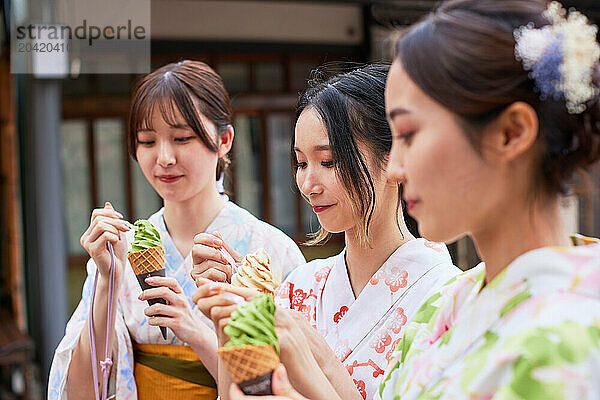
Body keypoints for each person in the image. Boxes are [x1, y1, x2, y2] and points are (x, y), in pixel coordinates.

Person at [224, 0, 600, 399]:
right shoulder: (456, 302)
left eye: (408, 134)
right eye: (300, 163)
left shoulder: (568, 337)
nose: (396, 169)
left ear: (510, 133)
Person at [192, 64, 459, 400]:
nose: (308, 184)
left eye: (329, 161)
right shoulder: (298, 287)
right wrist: (231, 321)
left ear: (392, 160)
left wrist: (316, 357)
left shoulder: (445, 295)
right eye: (302, 163)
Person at [48, 60, 306, 400]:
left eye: (182, 138)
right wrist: (107, 282)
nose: (164, 157)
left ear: (224, 139)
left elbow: (296, 384)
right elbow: (82, 391)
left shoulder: (272, 250)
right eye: (147, 141)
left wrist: (196, 331)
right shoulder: (120, 250)